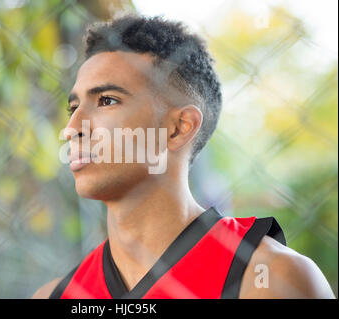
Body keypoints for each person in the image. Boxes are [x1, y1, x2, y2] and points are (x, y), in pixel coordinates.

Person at [32, 14, 335, 299]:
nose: (72, 128)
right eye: (73, 108)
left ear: (178, 128)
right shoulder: (57, 294)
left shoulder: (269, 279)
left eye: (106, 100)